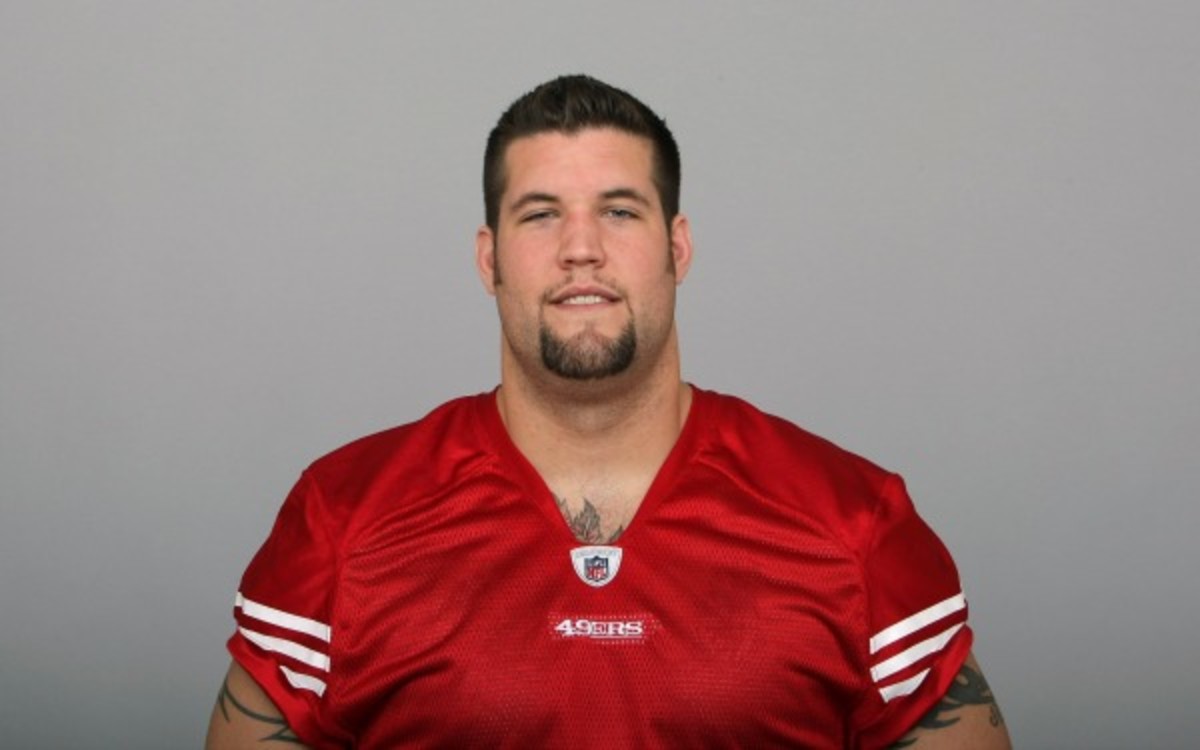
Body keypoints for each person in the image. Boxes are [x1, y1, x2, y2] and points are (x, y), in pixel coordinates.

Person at [205, 75, 1011, 749]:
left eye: (620, 211)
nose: (581, 247)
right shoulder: (343, 518)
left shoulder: (855, 522)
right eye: (540, 214)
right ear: (489, 259)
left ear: (677, 248)